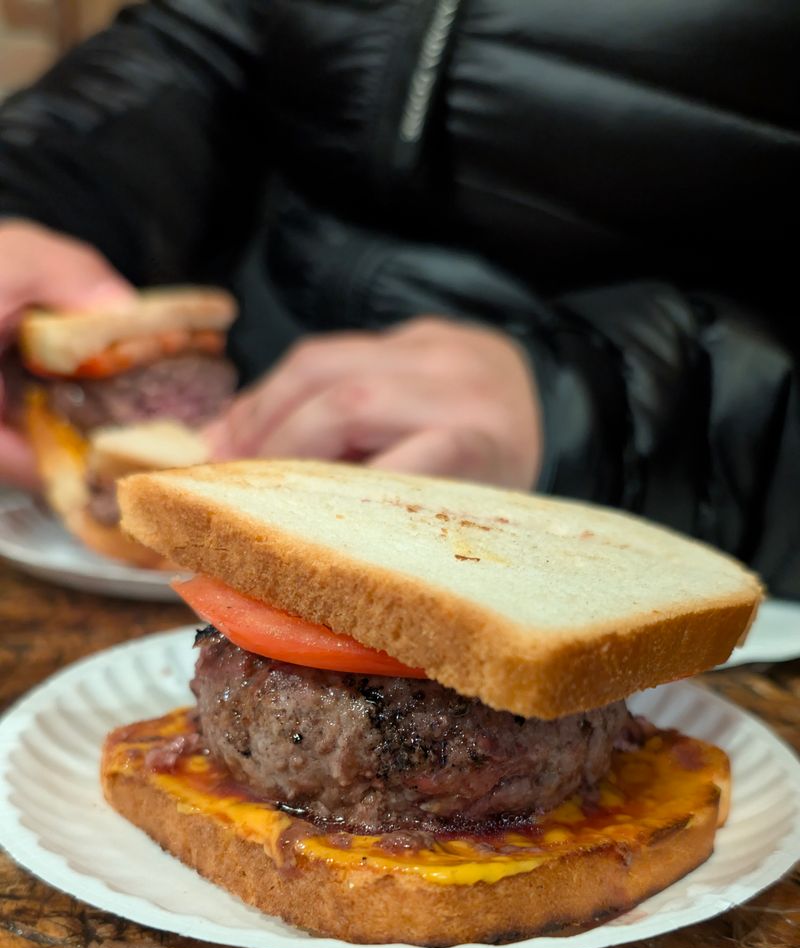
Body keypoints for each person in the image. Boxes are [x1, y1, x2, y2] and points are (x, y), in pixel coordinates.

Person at [0, 0, 797, 594]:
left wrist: (597, 412)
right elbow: (204, 36)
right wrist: (29, 196)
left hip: (674, 550)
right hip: (236, 483)